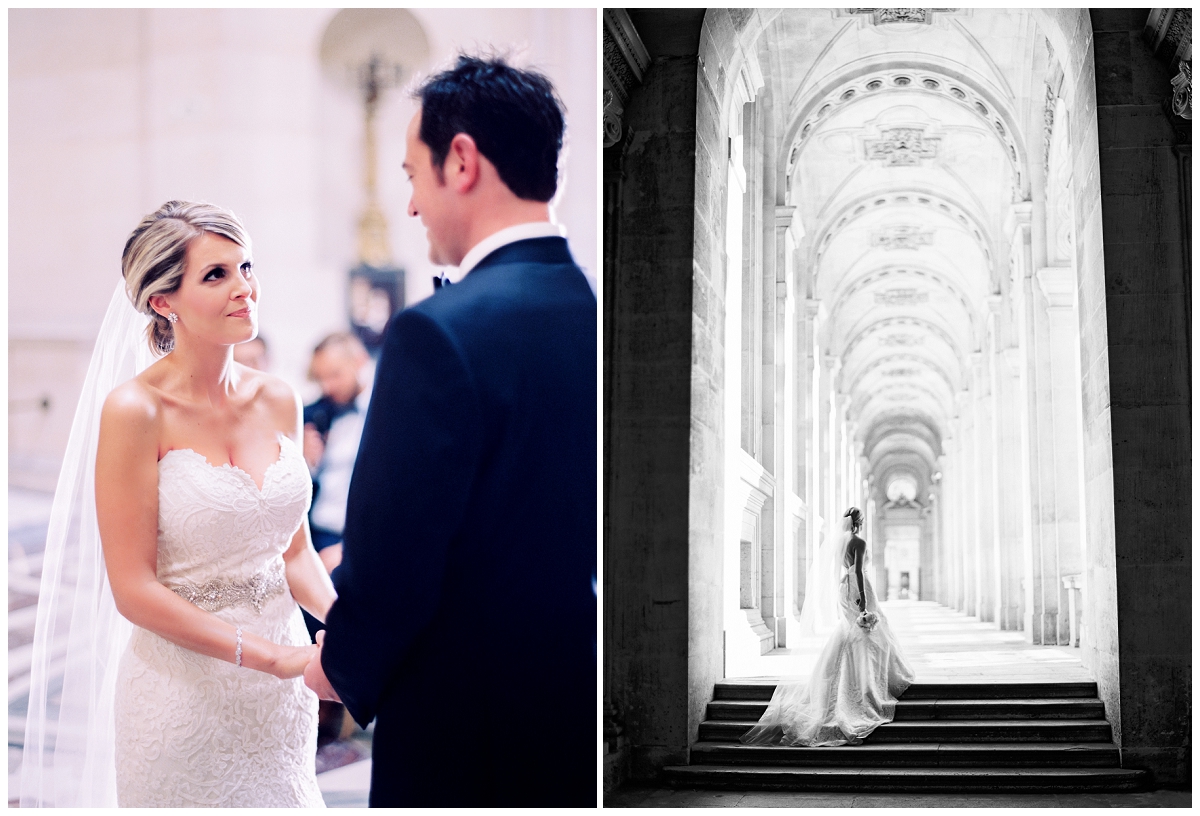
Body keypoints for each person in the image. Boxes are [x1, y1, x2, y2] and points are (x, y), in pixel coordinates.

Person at [303, 55, 597, 806]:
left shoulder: (439, 334)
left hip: (462, 722)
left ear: (460, 160)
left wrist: (342, 663)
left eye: (412, 176)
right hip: (573, 704)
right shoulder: (597, 310)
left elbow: (398, 547)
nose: (409, 207)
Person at [21, 201, 336, 807]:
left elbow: (294, 554)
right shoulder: (135, 411)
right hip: (182, 694)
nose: (245, 288)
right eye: (216, 275)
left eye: (245, 267)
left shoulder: (279, 399)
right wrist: (274, 658)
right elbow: (133, 588)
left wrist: (346, 627)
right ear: (163, 302)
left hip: (282, 698)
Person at [741, 507, 915, 747]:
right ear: (859, 523)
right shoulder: (858, 542)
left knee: (851, 634)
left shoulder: (840, 543)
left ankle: (852, 676)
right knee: (867, 634)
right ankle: (863, 682)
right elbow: (857, 571)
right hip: (858, 588)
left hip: (844, 589)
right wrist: (863, 600)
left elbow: (843, 571)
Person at [302, 332, 373, 575]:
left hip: (363, 540)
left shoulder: (388, 415)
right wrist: (302, 463)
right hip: (315, 534)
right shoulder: (312, 414)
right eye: (321, 378)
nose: (327, 387)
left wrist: (349, 549)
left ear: (360, 361)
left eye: (335, 375)